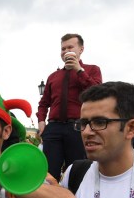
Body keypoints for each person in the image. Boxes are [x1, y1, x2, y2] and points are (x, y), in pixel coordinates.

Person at [36, 33, 103, 181]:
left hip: (78, 127)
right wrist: (41, 121)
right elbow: (44, 102)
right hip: (53, 128)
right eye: (63, 48)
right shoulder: (53, 76)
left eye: (70, 47)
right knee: (48, 172)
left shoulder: (92, 70)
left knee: (78, 170)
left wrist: (79, 70)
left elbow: (97, 93)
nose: (66, 51)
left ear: (81, 49)